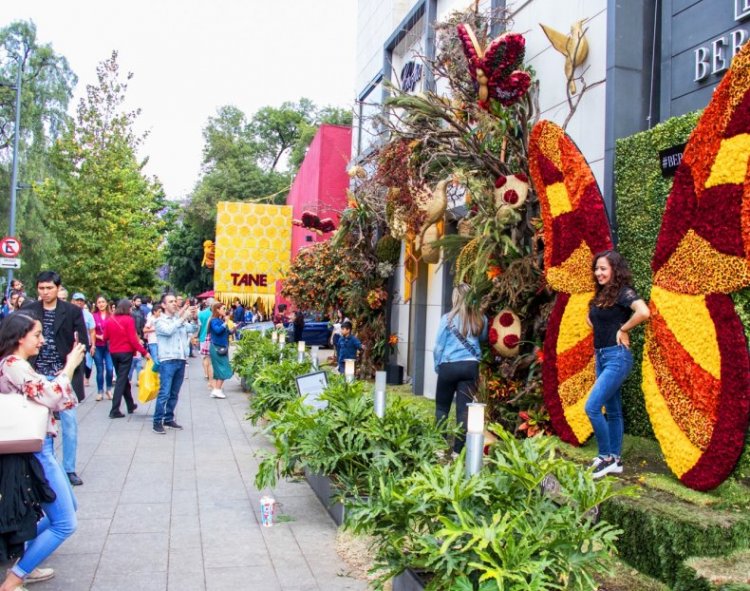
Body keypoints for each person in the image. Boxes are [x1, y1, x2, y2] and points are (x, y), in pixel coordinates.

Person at [0, 313, 86, 590]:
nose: (42, 340)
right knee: (65, 522)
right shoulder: (14, 365)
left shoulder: (14, 364)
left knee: (67, 508)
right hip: (37, 451)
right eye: (36, 335)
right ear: (19, 337)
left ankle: (24, 558)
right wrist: (70, 365)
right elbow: (53, 396)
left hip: (37, 447)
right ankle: (13, 580)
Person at [585, 250, 650, 479]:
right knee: (612, 411)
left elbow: (643, 312)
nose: (598, 273)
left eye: (603, 268)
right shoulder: (602, 294)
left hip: (617, 357)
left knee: (592, 407)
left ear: (614, 269)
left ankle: (606, 457)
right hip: (601, 356)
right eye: (596, 269)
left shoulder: (624, 292)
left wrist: (623, 329)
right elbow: (592, 320)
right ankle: (616, 460)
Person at [24, 271, 89, 487]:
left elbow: (83, 342)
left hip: (64, 373)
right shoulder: (29, 311)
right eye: (41, 288)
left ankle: (69, 469)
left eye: (49, 288)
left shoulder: (71, 311)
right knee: (39, 423)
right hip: (37, 373)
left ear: (58, 288)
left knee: (69, 423)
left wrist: (73, 363)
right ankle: (40, 467)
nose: (45, 292)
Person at [433, 283, 487, 454]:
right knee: (464, 411)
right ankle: (458, 451)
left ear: (455, 298)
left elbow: (438, 347)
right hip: (470, 367)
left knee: (442, 408)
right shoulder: (481, 319)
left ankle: (439, 447)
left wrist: (437, 365)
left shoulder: (446, 319)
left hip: (448, 366)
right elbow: (484, 338)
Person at [153, 293, 196, 434]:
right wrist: (182, 318)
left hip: (181, 359)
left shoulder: (179, 320)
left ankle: (168, 418)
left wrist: (194, 318)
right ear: (164, 305)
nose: (174, 304)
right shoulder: (160, 321)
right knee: (164, 392)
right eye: (170, 301)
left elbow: (193, 329)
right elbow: (169, 331)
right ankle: (157, 421)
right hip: (168, 360)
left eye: (174, 301)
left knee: (174, 393)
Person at [104, 299, 149, 418]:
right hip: (126, 353)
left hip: (114, 352)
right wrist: (144, 352)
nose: (131, 310)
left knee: (122, 378)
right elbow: (133, 340)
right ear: (126, 308)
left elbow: (105, 337)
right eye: (130, 308)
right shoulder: (129, 320)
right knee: (121, 380)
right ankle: (114, 409)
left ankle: (130, 404)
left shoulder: (110, 320)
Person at [208, 302, 235, 399]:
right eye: (223, 308)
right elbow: (218, 330)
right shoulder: (214, 321)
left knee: (221, 369)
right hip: (217, 348)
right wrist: (225, 322)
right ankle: (217, 390)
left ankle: (216, 389)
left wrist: (233, 329)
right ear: (217, 310)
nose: (225, 310)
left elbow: (226, 332)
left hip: (222, 347)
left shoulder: (220, 320)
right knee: (223, 369)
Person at [71, 293, 96, 388]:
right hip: (71, 343)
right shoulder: (68, 313)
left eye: (81, 301)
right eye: (77, 300)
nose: (79, 302)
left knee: (88, 364)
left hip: (85, 343)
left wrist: (93, 345)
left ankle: (86, 378)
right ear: (72, 301)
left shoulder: (88, 315)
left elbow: (92, 331)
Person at [92, 295, 114, 401]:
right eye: (99, 302)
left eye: (103, 302)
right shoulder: (93, 316)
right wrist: (98, 336)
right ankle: (99, 391)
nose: (101, 304)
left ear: (106, 303)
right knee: (100, 369)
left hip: (109, 346)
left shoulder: (112, 316)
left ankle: (108, 389)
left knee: (110, 369)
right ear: (96, 304)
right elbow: (90, 331)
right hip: (98, 345)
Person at [197, 298, 214, 381]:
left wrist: (197, 337)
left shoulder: (201, 314)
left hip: (202, 337)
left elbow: (198, 327)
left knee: (204, 357)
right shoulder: (214, 313)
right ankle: (210, 373)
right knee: (210, 358)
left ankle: (206, 373)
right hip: (211, 338)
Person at [143, 304, 162, 370]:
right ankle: (153, 373)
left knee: (161, 359)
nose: (160, 313)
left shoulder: (161, 319)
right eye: (159, 312)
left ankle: (158, 375)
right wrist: (154, 329)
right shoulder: (151, 319)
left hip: (160, 341)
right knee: (155, 360)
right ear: (154, 312)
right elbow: (145, 330)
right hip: (153, 342)